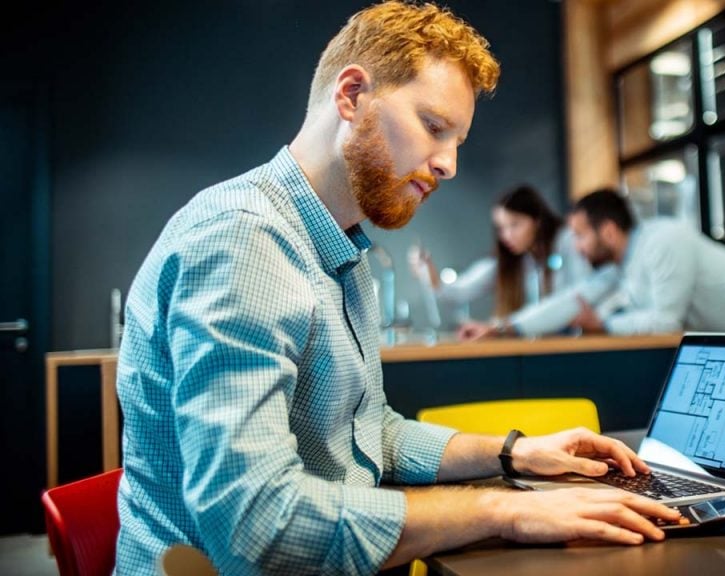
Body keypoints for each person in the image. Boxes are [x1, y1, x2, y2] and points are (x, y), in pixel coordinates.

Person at [114, 3, 682, 575]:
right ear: (352, 96)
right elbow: (261, 522)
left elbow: (370, 433)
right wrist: (500, 510)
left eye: (457, 140)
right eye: (434, 128)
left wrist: (515, 452)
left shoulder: (342, 245)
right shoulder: (246, 240)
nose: (449, 165)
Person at [565, 189, 725, 336]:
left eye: (580, 235)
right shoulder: (627, 263)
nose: (577, 247)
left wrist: (604, 324)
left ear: (608, 231)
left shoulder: (662, 241)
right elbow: (635, 310)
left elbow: (665, 322)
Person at [409, 184, 592, 337]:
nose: (507, 235)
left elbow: (573, 299)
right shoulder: (512, 260)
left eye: (515, 225)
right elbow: (456, 292)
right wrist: (429, 276)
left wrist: (501, 327)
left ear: (537, 220)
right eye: (501, 228)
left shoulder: (569, 241)